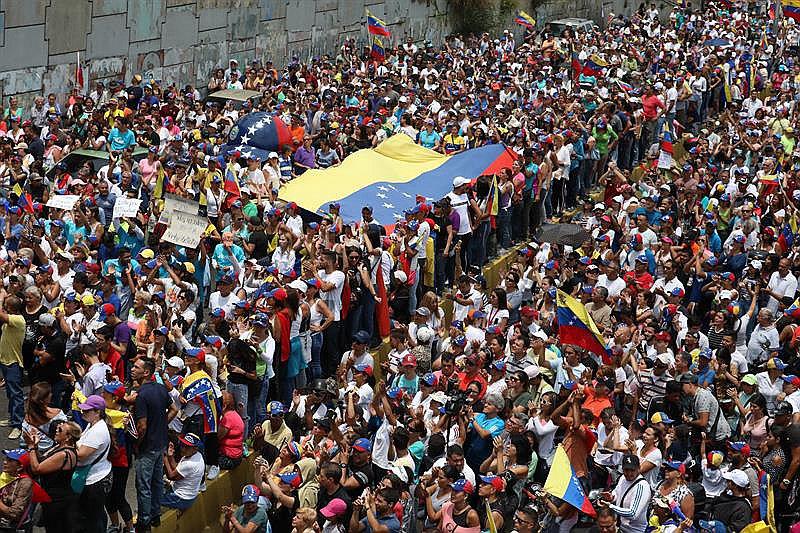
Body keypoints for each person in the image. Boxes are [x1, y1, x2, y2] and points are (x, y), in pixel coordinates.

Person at [132, 357, 176, 531]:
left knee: (144, 485)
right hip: (160, 443)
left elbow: (142, 426)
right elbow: (174, 409)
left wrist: (137, 443)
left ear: (146, 372)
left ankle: (144, 521)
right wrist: (162, 425)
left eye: (136, 367)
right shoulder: (160, 388)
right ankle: (155, 515)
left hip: (148, 447)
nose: (132, 369)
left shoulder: (141, 395)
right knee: (156, 482)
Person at [75, 395, 113, 533]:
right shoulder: (92, 424)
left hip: (95, 481)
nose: (83, 412)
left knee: (93, 519)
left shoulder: (98, 431)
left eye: (87, 410)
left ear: (97, 412)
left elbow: (81, 454)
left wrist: (70, 444)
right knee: (97, 514)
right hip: (93, 476)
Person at [0, 295, 26, 440]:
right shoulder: (11, 319)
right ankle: (12, 419)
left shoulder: (18, 320)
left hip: (13, 363)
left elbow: (1, 315)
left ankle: (18, 425)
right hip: (5, 361)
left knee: (16, 394)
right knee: (10, 393)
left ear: (10, 307)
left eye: (6, 305)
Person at [162, 432, 205, 510]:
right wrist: (170, 456)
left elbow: (171, 476)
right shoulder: (196, 455)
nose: (183, 449)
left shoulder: (190, 464)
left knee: (155, 499)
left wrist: (165, 458)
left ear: (195, 448)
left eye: (187, 447)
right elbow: (178, 468)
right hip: (184, 495)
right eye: (183, 445)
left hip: (181, 499)